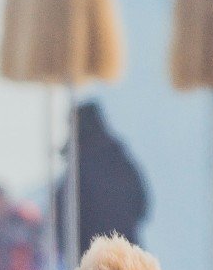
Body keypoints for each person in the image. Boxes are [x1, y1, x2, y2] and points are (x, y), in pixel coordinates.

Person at [58, 99, 149, 253]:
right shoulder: (118, 158)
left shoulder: (79, 165)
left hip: (92, 256)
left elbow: (64, 212)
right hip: (126, 251)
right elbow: (141, 203)